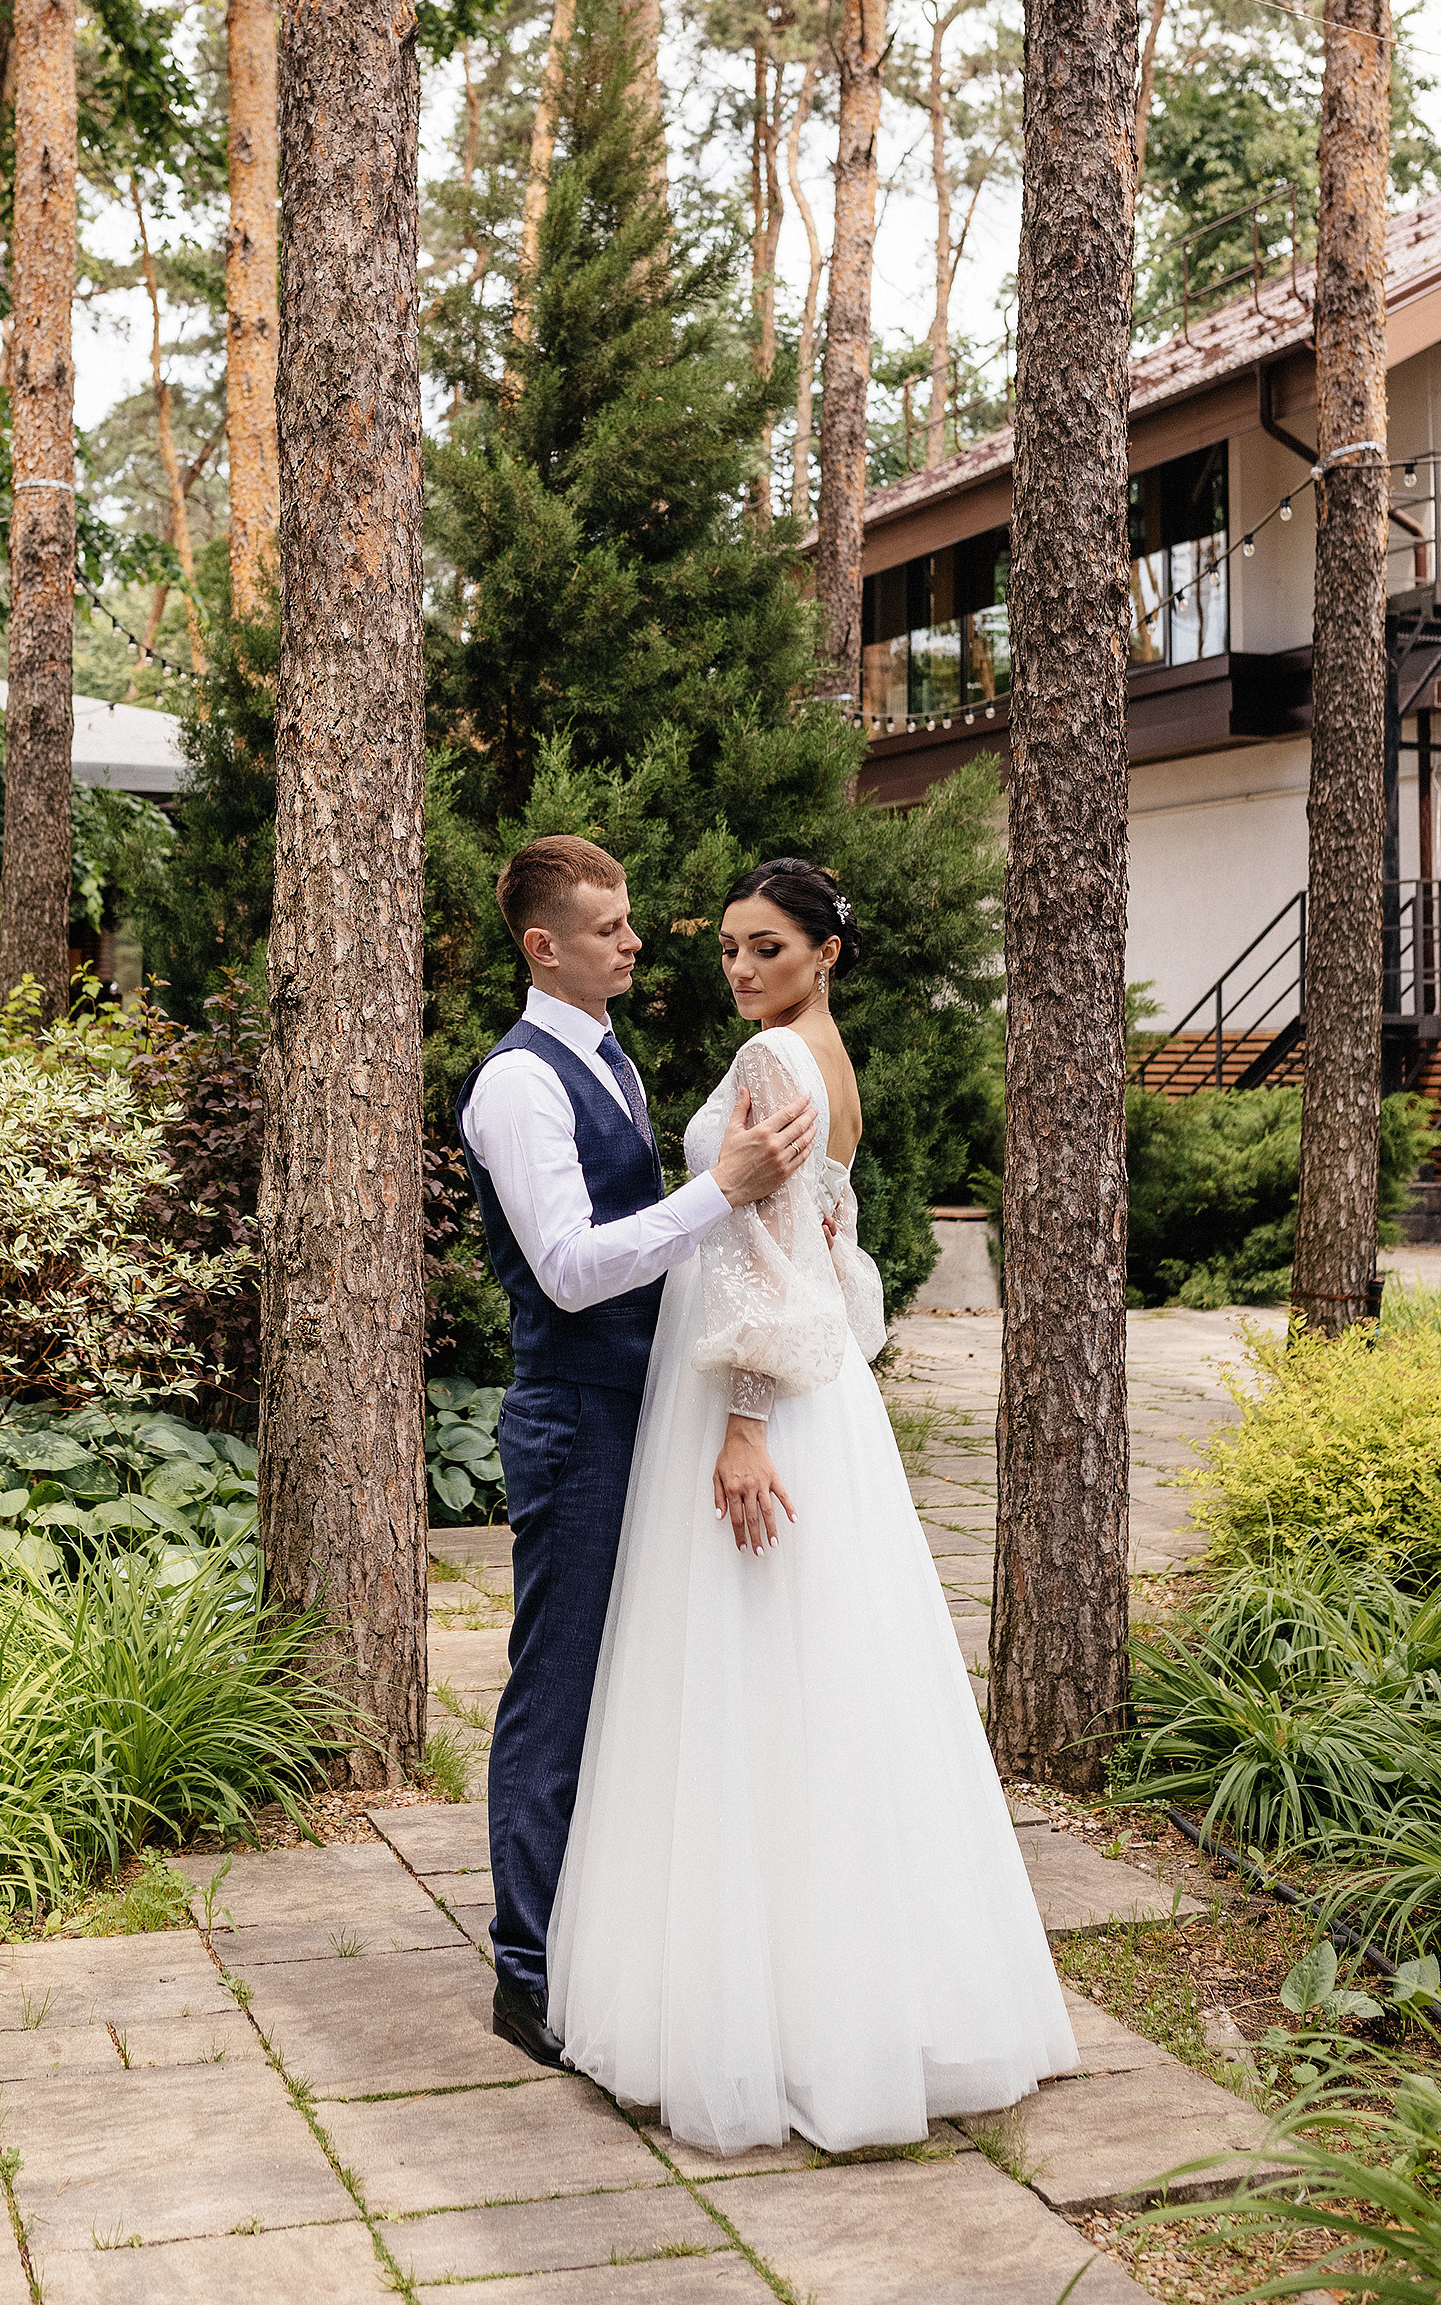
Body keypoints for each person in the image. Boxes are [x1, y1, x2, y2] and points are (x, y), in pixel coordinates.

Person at [547, 855, 1078, 2155]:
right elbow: (832, 1254)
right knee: (826, 1688)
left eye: (767, 947)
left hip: (758, 1405)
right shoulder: (827, 1064)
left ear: (825, 952)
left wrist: (740, 1428)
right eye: (729, 946)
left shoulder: (782, 1068)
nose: (741, 969)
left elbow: (776, 1261)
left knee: (745, 1682)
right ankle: (829, 1989)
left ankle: (759, 2015)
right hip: (811, 1397)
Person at [455, 835, 822, 2073]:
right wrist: (717, 1188)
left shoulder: (605, 1060)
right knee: (557, 1688)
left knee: (631, 1682)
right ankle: (525, 1973)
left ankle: (604, 1946)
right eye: (608, 926)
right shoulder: (516, 1084)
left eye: (628, 919)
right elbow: (565, 1268)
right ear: (541, 946)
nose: (633, 940)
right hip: (574, 1416)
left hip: (642, 1405)